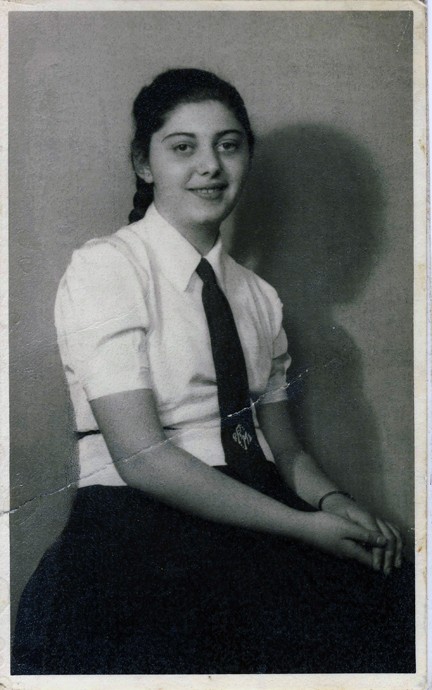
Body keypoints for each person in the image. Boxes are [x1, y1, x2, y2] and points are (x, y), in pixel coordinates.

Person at [12, 68, 415, 675]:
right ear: (144, 164)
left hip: (260, 502)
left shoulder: (259, 297)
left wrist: (333, 502)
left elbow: (284, 448)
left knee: (393, 598)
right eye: (183, 147)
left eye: (229, 145)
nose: (210, 166)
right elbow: (141, 456)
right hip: (140, 522)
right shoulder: (107, 268)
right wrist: (302, 528)